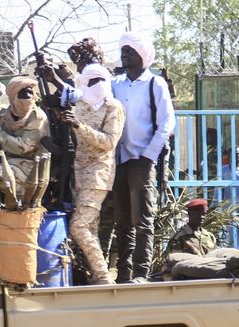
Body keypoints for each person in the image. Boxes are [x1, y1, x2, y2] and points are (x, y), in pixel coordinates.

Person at [111, 32, 175, 283]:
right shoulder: (116, 84)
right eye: (123, 49)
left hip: (142, 158)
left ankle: (141, 272)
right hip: (119, 159)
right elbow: (91, 96)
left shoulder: (155, 83)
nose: (124, 53)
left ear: (142, 56)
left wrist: (150, 155)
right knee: (122, 221)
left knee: (142, 219)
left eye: (129, 50)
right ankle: (123, 274)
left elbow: (167, 122)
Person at [60, 63, 125, 285]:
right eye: (91, 81)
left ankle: (104, 276)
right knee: (89, 228)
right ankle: (95, 274)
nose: (96, 85)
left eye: (100, 80)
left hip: (98, 175)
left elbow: (108, 142)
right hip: (78, 174)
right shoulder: (80, 104)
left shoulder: (112, 107)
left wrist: (79, 126)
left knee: (77, 226)